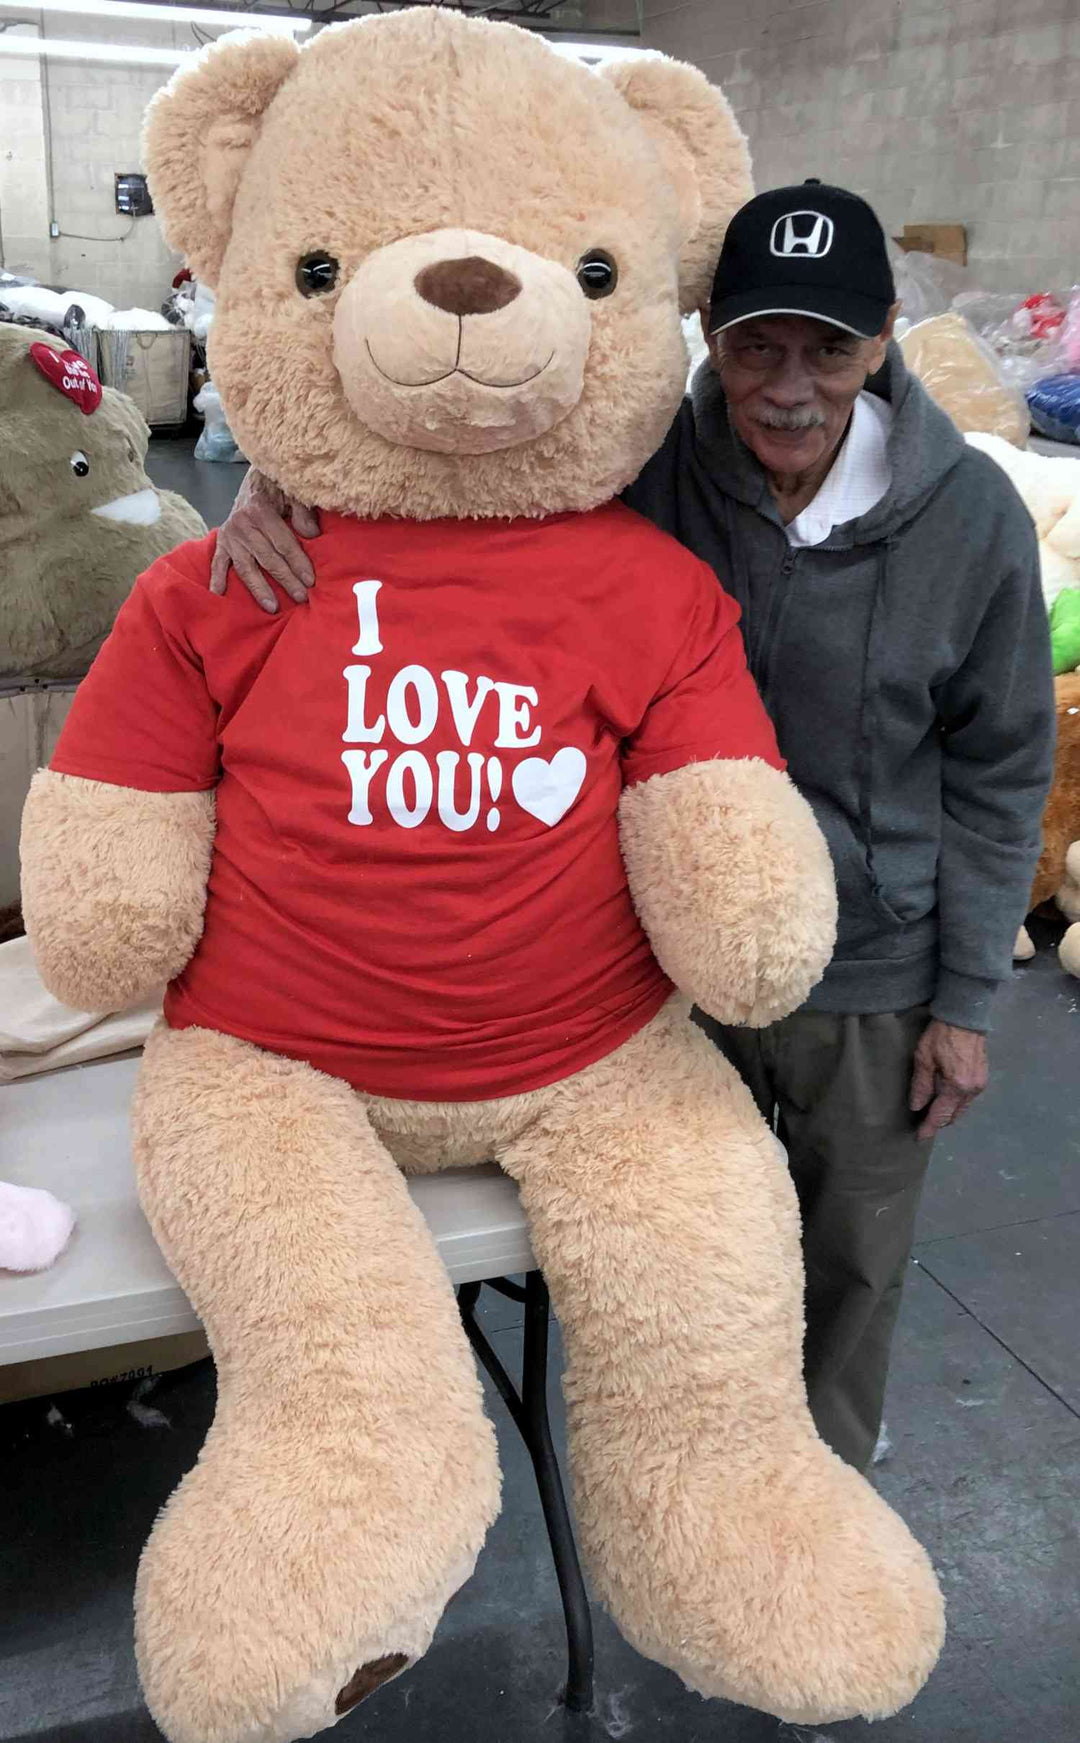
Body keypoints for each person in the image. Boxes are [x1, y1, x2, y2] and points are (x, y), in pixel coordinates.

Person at [205, 180, 1055, 1473]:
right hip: (655, 959)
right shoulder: (639, 466)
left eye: (829, 350)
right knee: (677, 1252)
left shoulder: (971, 520)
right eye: (757, 347)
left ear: (884, 337)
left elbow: (1001, 768)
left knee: (851, 1250)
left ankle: (815, 1483)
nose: (790, 389)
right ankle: (677, 1481)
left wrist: (968, 999)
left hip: (873, 969)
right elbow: (445, 480)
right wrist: (276, 486)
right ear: (709, 334)